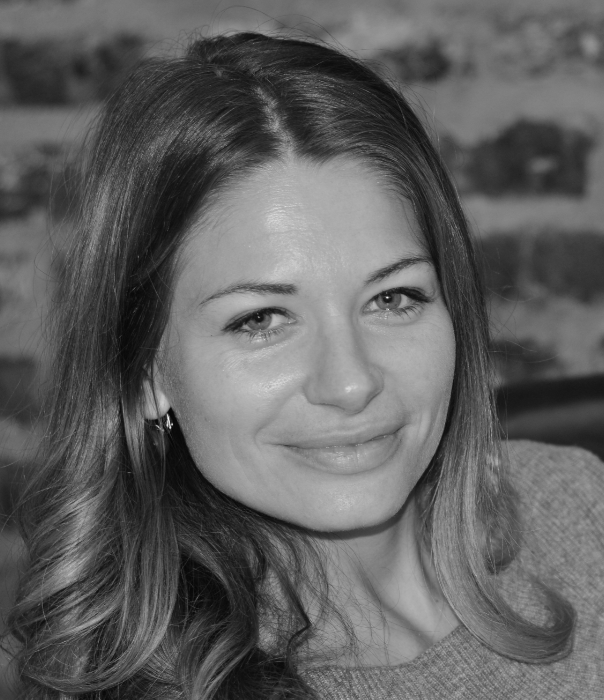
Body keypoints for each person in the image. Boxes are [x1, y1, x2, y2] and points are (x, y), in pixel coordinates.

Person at [8, 32, 604, 700]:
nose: (350, 383)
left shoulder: (576, 504)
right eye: (261, 320)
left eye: (393, 298)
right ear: (144, 372)